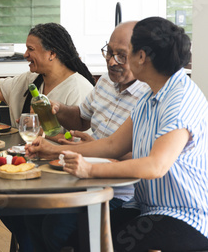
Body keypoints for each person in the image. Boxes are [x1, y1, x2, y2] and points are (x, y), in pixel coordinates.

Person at [27, 17, 208, 251]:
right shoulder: (151, 95)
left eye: (125, 53)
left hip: (185, 217)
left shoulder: (179, 100)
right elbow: (113, 145)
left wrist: (90, 169)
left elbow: (155, 166)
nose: (114, 61)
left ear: (141, 57)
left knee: (101, 242)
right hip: (147, 208)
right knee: (81, 236)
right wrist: (56, 150)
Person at [0, 22, 96, 251]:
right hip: (29, 170)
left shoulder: (78, 88)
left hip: (61, 179)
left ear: (52, 53)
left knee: (20, 211)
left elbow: (81, 143)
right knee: (7, 207)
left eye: (31, 49)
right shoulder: (31, 80)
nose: (25, 54)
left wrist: (51, 138)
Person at [24, 21, 150, 251]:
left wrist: (97, 148)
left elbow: (149, 158)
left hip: (120, 191)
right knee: (26, 211)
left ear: (141, 56)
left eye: (121, 56)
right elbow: (82, 118)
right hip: (82, 176)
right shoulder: (104, 82)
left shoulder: (150, 96)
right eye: (109, 52)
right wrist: (59, 109)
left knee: (55, 227)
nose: (112, 61)